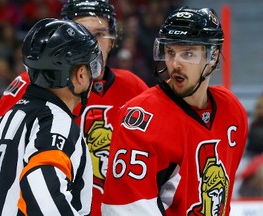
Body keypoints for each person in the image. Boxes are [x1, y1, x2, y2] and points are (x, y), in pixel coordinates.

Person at [0, 1, 149, 215]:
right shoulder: (33, 88)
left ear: (113, 40)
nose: (92, 43)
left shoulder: (135, 88)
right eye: (82, 32)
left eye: (100, 34)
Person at [102, 6, 248, 216]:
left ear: (213, 56)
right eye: (171, 52)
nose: (176, 64)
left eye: (188, 53)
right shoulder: (141, 116)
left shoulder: (232, 110)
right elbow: (124, 207)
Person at [0, 18, 103, 215]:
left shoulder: (6, 119)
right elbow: (41, 191)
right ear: (81, 74)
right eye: (91, 67)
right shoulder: (55, 123)